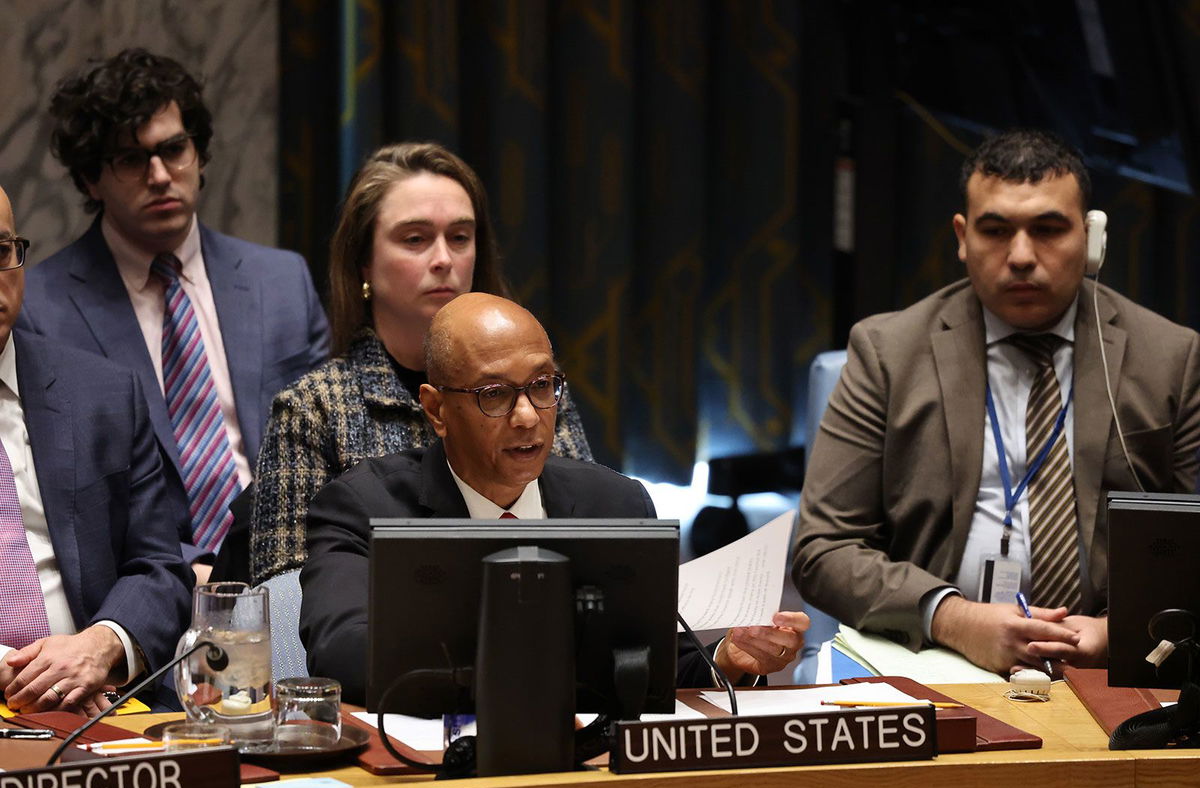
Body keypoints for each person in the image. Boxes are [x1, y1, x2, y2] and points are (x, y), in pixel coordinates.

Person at [793, 129, 1200, 675]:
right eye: (996, 230)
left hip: (1114, 663)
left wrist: (1123, 626)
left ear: (1092, 235)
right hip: (939, 657)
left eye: (1050, 229)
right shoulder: (888, 352)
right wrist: (952, 618)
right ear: (962, 236)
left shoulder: (1171, 358)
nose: (1022, 256)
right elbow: (823, 548)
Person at [300, 293, 807, 703]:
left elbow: (662, 663)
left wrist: (730, 657)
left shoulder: (617, 504)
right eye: (494, 394)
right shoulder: (363, 509)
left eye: (542, 386)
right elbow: (340, 652)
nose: (527, 416)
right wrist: (527, 660)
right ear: (436, 410)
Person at [18, 49, 330, 579]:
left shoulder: (281, 283)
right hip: (142, 584)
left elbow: (325, 449)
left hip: (290, 574)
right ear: (92, 180)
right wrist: (194, 575)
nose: (160, 175)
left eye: (173, 149)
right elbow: (68, 502)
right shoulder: (39, 309)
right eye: (131, 160)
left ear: (199, 153)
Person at [249, 142, 592, 586]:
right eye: (415, 239)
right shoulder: (314, 410)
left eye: (460, 237)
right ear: (364, 264)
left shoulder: (537, 388)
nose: (444, 259)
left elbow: (591, 544)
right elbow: (290, 604)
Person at [0, 184, 192, 715]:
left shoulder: (103, 395)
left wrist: (103, 643)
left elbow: (158, 566)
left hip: (98, 704)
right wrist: (16, 670)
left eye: (0, 253)